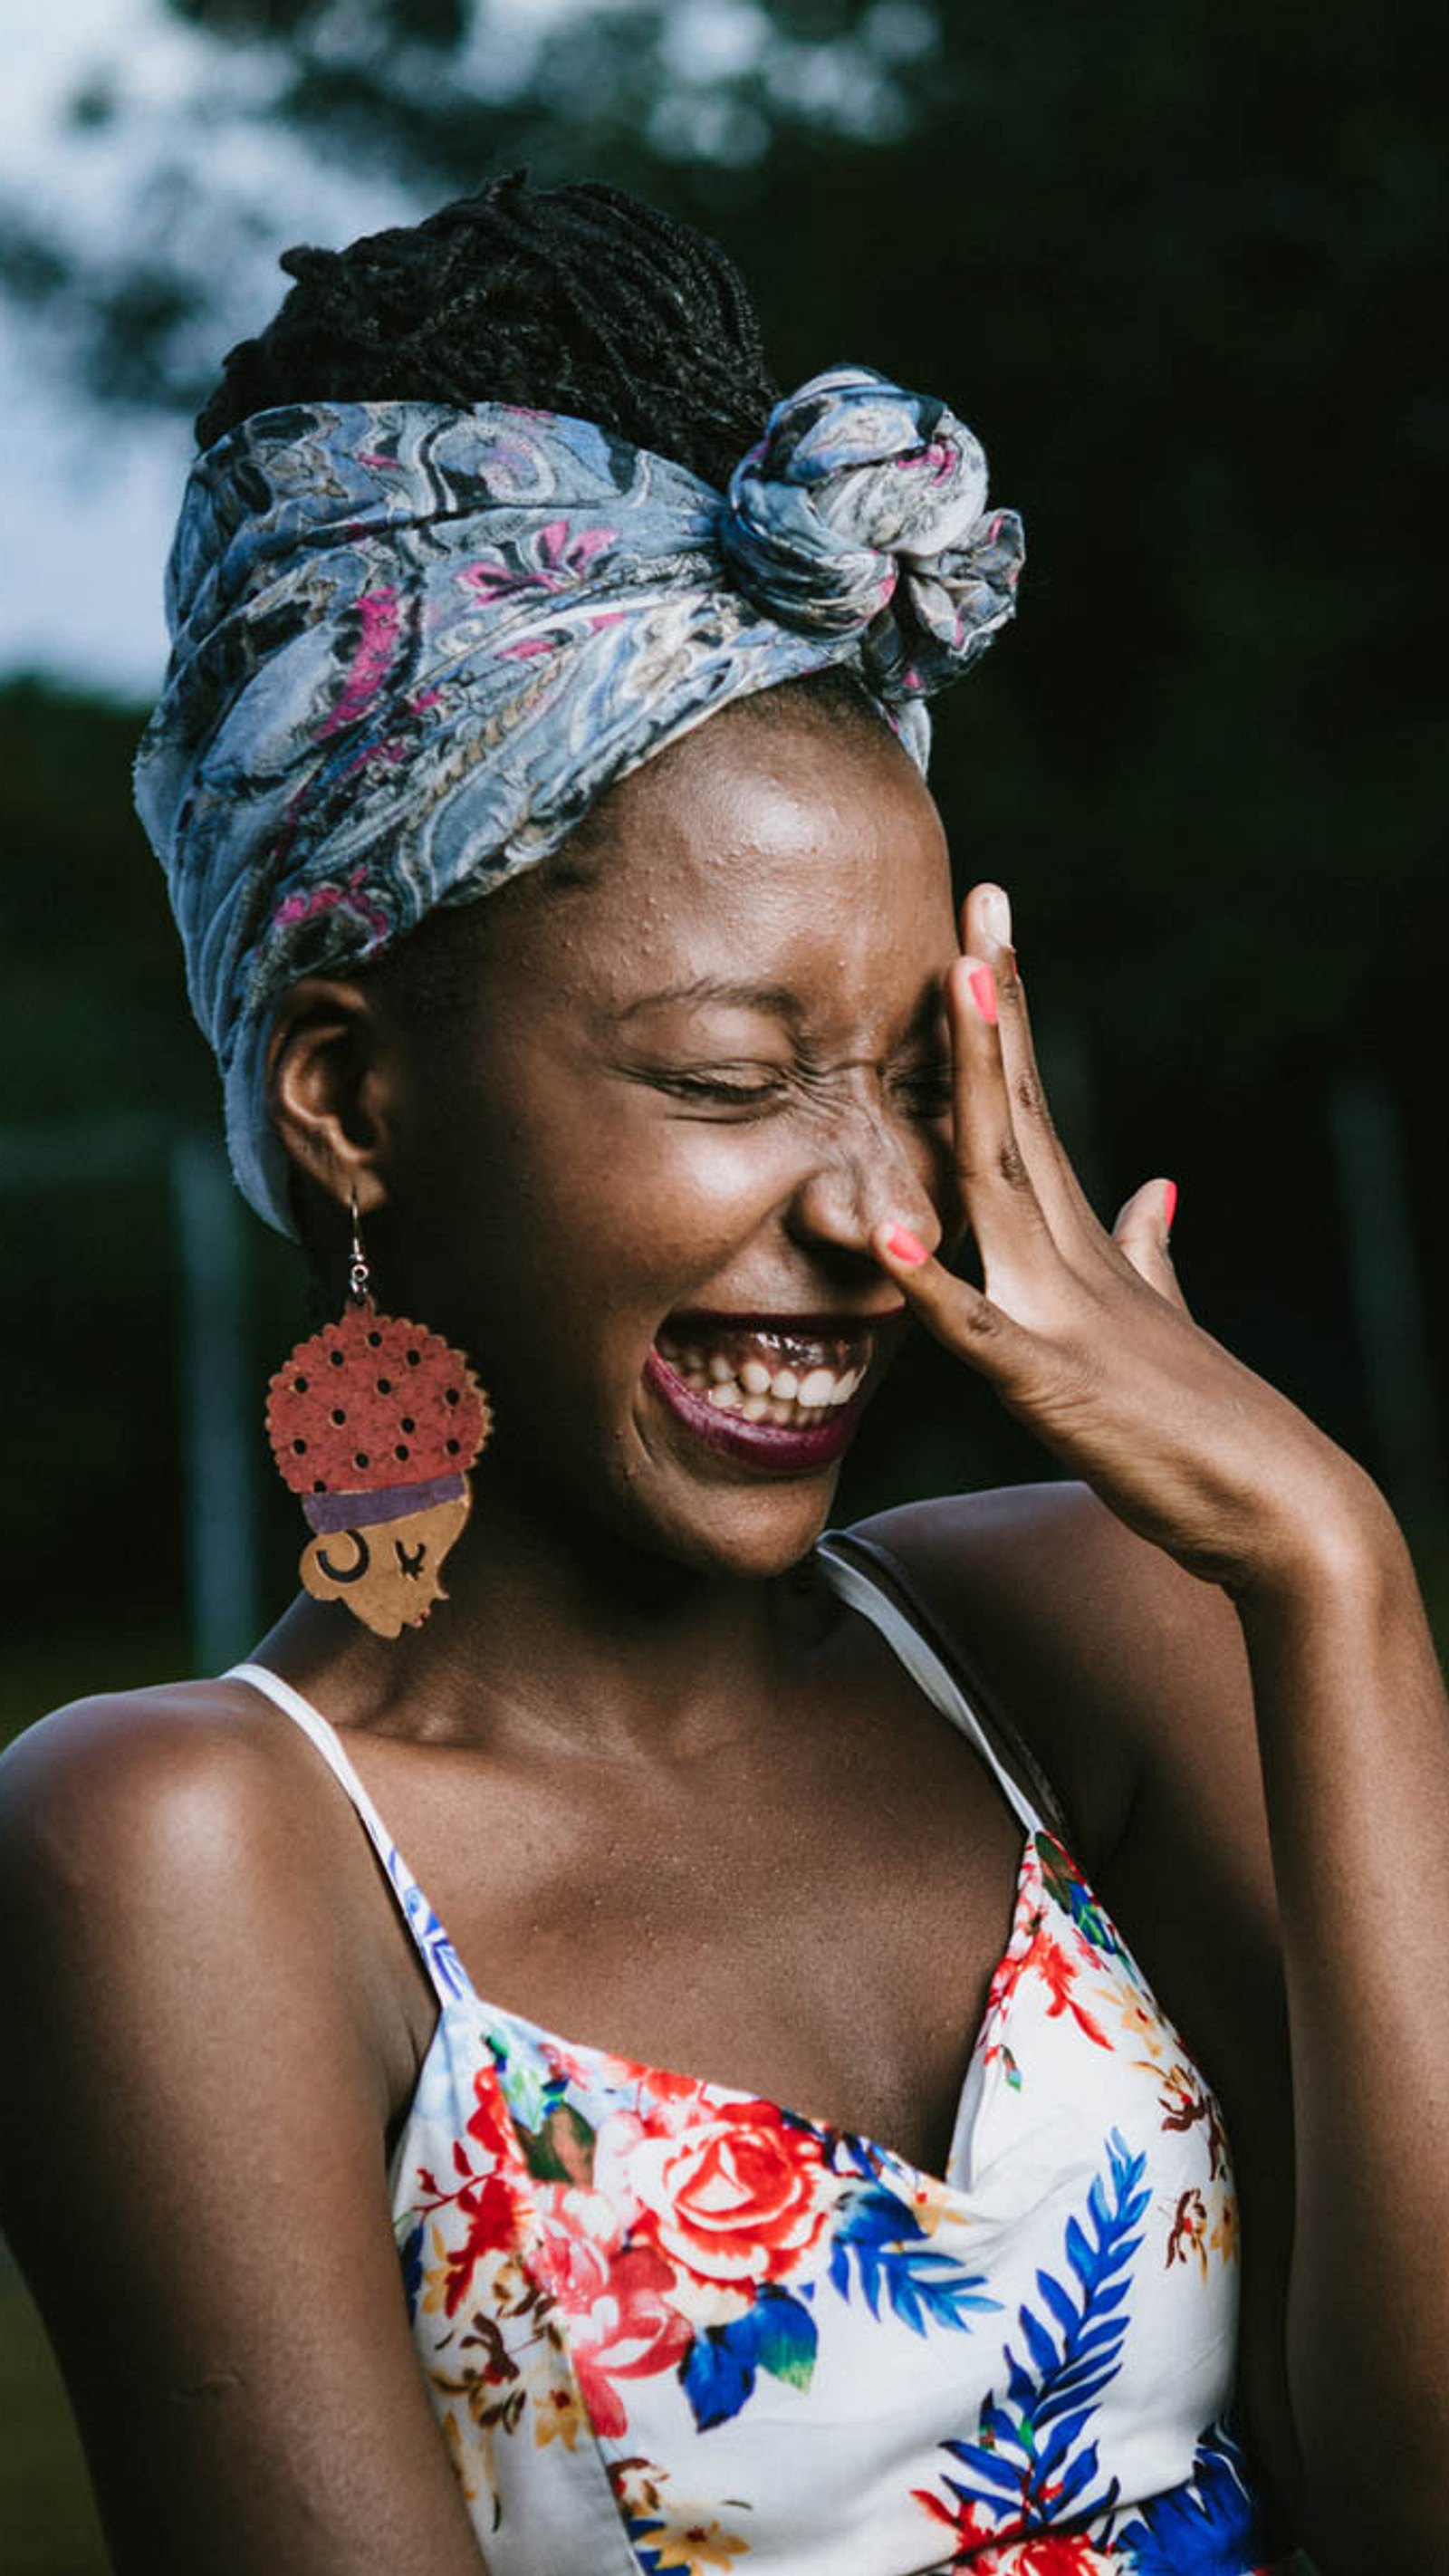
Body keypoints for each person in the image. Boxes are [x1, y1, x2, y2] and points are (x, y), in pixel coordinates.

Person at [0, 173, 1444, 2576]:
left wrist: (1335, 1574)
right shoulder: (181, 1854)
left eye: (913, 1074)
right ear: (348, 1097)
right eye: (727, 1075)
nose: (880, 1212)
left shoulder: (1094, 1637)